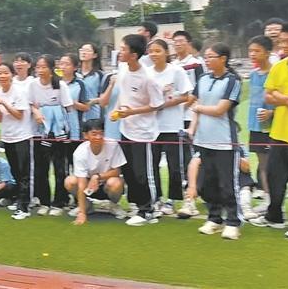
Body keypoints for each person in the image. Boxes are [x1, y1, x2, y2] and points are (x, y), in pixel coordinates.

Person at [250, 22, 288, 240]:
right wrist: (285, 97)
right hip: (279, 133)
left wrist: (280, 97)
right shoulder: (279, 67)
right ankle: (274, 216)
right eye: (281, 41)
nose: (283, 45)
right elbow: (268, 96)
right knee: (275, 176)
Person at [187, 43, 243, 240]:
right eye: (206, 57)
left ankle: (233, 221)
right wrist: (192, 127)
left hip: (224, 141)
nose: (207, 60)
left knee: (227, 183)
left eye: (211, 56)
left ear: (223, 59)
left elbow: (220, 109)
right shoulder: (202, 78)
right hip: (203, 140)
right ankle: (214, 218)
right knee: (207, 183)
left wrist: (199, 108)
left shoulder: (232, 81)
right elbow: (193, 102)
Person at [113, 34, 164, 226]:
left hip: (144, 133)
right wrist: (118, 112)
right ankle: (137, 205)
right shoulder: (122, 69)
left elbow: (157, 104)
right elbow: (123, 95)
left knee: (143, 173)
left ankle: (148, 210)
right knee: (129, 171)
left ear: (134, 54)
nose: (120, 52)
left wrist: (132, 111)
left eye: (123, 49)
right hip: (125, 129)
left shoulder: (149, 77)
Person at [146, 39, 193, 215]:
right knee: (153, 164)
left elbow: (186, 96)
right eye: (151, 51)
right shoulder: (147, 73)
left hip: (172, 126)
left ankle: (172, 200)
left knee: (175, 165)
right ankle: (156, 198)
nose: (154, 54)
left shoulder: (176, 71)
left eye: (158, 51)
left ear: (166, 52)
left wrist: (166, 102)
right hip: (151, 126)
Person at [28, 54, 73, 217]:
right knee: (41, 167)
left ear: (51, 69)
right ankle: (44, 201)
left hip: (59, 132)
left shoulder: (60, 86)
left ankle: (60, 202)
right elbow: (31, 104)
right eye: (38, 67)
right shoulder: (33, 85)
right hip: (40, 130)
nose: (40, 70)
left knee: (60, 168)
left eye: (43, 67)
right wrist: (37, 112)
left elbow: (68, 108)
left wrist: (55, 116)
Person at [0, 62, 33, 219]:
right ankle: (19, 201)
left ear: (11, 75)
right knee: (15, 171)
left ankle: (24, 207)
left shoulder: (19, 92)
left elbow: (19, 115)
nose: (2, 76)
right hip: (7, 137)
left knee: (23, 173)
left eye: (5, 73)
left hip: (21, 136)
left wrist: (4, 104)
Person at [66, 119, 127, 225]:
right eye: (94, 134)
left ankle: (113, 205)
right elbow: (81, 184)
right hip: (88, 186)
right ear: (85, 135)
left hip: (107, 183)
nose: (98, 137)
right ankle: (86, 206)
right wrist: (82, 213)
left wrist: (97, 177)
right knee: (70, 181)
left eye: (101, 133)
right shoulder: (80, 152)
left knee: (115, 182)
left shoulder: (113, 145)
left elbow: (117, 171)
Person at [245, 36, 275, 215]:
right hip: (256, 126)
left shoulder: (277, 71)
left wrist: (272, 113)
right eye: (250, 51)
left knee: (276, 166)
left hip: (275, 127)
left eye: (256, 51)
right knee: (263, 164)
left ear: (268, 52)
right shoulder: (254, 75)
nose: (252, 54)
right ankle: (267, 199)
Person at [77, 43, 104, 121]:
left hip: (94, 115)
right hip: (76, 115)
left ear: (95, 55)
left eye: (87, 50)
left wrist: (93, 101)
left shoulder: (100, 75)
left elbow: (105, 97)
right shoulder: (74, 74)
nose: (83, 52)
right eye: (82, 50)